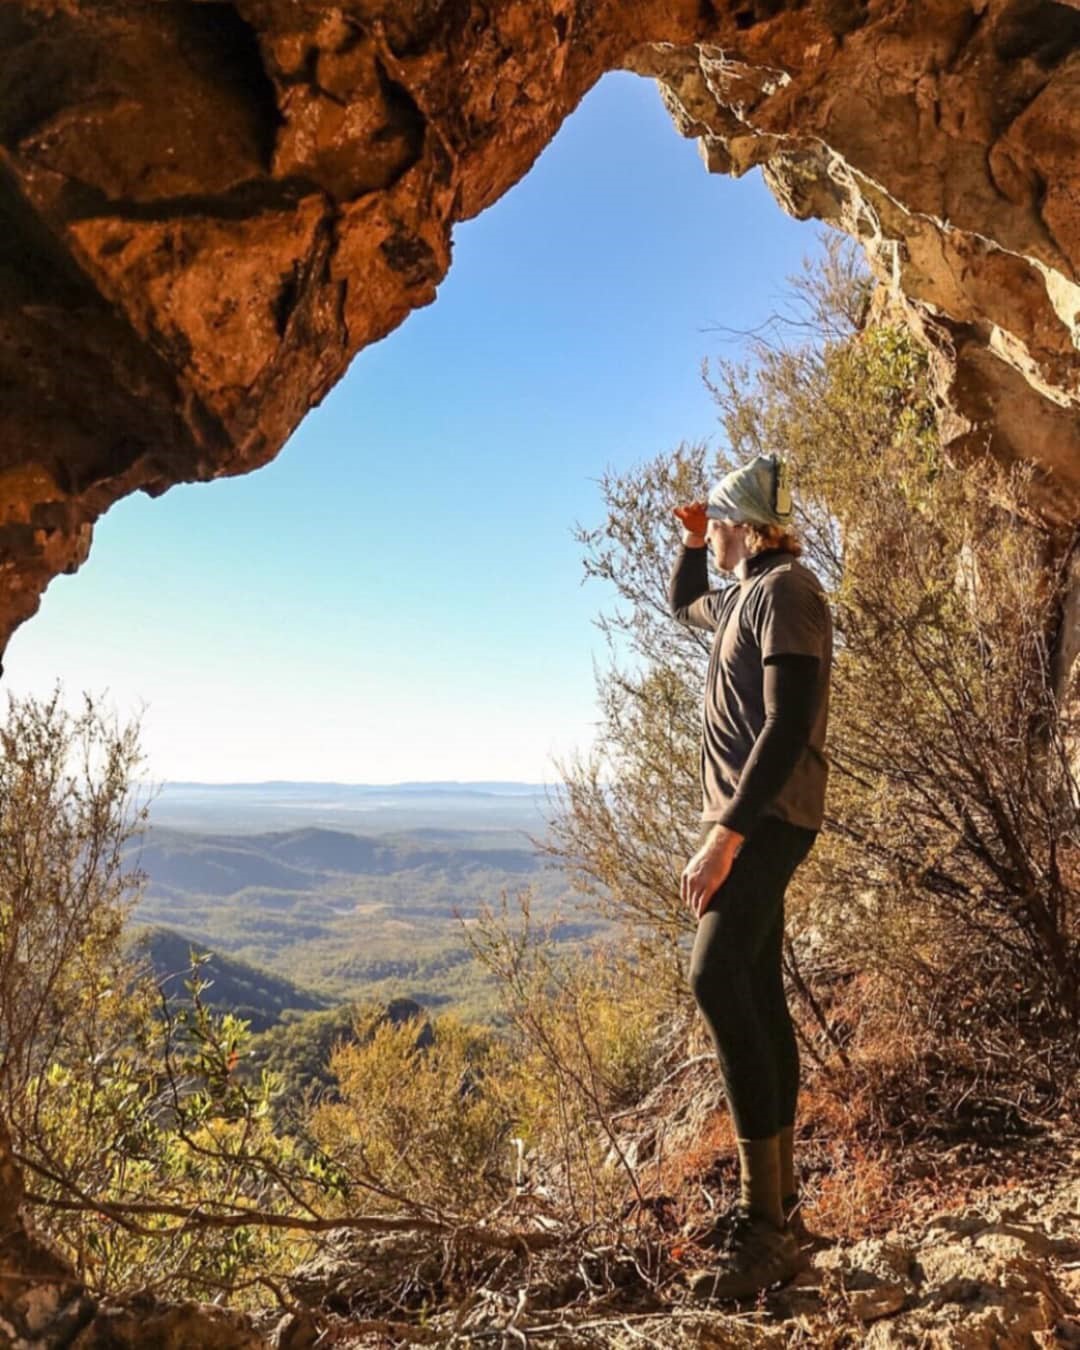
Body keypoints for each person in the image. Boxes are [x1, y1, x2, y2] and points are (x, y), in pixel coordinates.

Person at [669, 453, 833, 1300]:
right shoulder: (745, 594)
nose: (717, 539)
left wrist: (727, 835)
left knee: (716, 974)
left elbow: (790, 721)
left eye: (721, 527)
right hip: (753, 822)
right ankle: (780, 1206)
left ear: (753, 527)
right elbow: (685, 602)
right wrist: (693, 544)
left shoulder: (787, 593)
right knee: (756, 992)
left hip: (766, 821)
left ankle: (761, 1222)